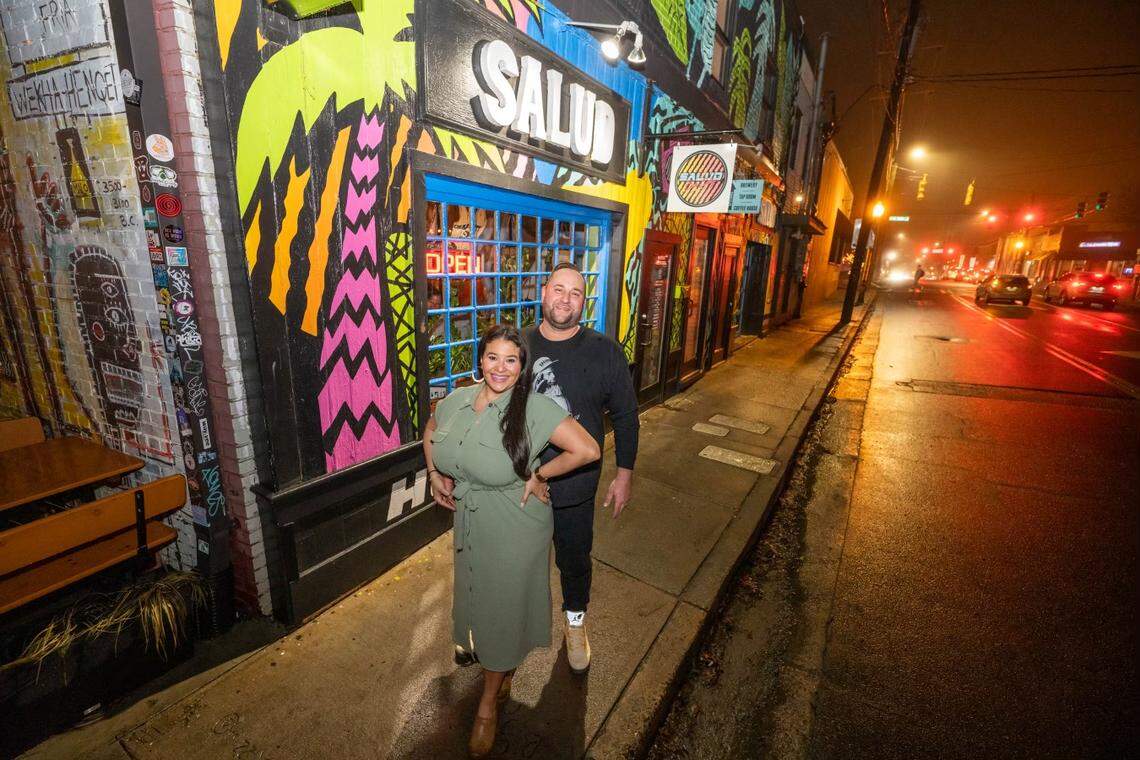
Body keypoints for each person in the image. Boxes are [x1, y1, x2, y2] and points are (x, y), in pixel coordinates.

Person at [423, 323, 600, 757]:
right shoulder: (457, 400)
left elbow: (588, 449)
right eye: (493, 358)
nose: (500, 368)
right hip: (471, 518)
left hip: (515, 523)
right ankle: (500, 673)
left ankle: (488, 705)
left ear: (522, 368)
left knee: (502, 609)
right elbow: (430, 431)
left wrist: (540, 473)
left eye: (511, 360)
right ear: (479, 360)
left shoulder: (534, 407)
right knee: (479, 598)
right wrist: (434, 473)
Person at [523, 261, 640, 675]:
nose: (565, 300)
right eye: (558, 289)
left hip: (576, 484)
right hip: (522, 484)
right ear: (544, 292)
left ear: (583, 302)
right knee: (518, 561)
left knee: (574, 562)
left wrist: (623, 475)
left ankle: (575, 625)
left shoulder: (604, 351)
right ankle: (509, 630)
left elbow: (626, 415)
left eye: (575, 293)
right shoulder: (519, 347)